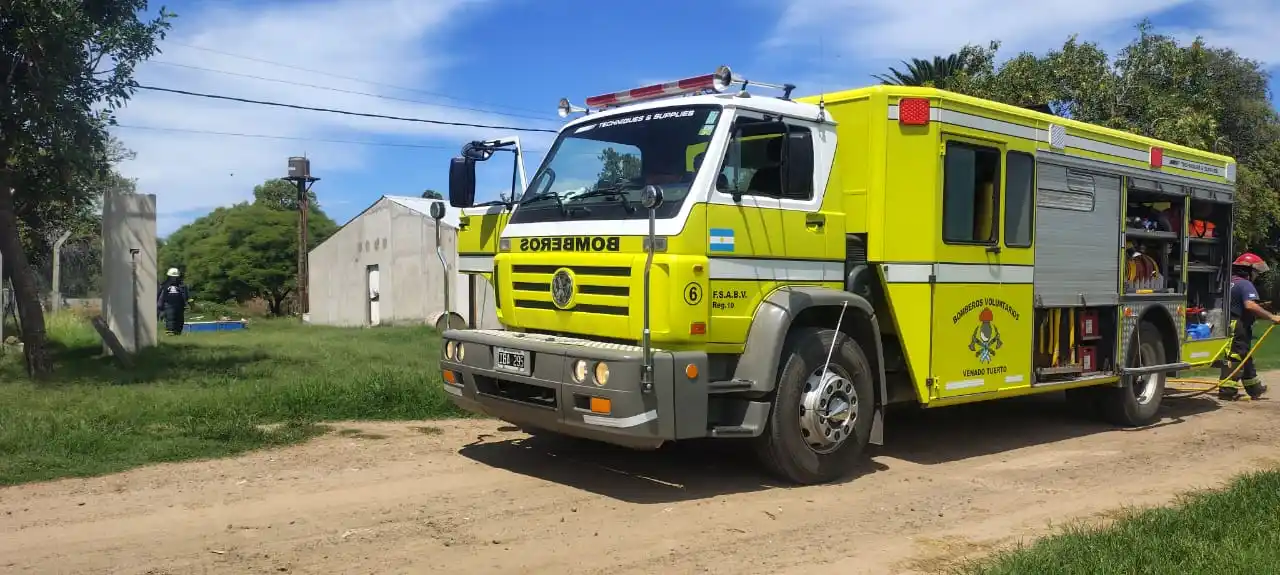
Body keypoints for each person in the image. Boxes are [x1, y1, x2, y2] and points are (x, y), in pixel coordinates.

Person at [1219, 252, 1280, 400]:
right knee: (1236, 356)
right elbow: (1249, 305)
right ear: (1248, 271)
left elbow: (1240, 304)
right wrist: (1272, 316)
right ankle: (1227, 390)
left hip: (1228, 323)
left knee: (1244, 355)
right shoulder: (1246, 284)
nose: (1256, 275)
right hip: (1238, 325)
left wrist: (1266, 307)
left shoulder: (1230, 282)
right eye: (1256, 272)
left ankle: (1254, 388)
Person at [157, 267, 191, 336]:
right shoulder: (165, 286)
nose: (174, 279)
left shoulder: (182, 286)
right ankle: (170, 332)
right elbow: (160, 296)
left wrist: (189, 303)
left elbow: (186, 295)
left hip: (180, 305)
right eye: (172, 277)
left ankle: (178, 332)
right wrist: (160, 307)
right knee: (170, 318)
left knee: (180, 320)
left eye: (175, 277)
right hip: (168, 304)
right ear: (169, 277)